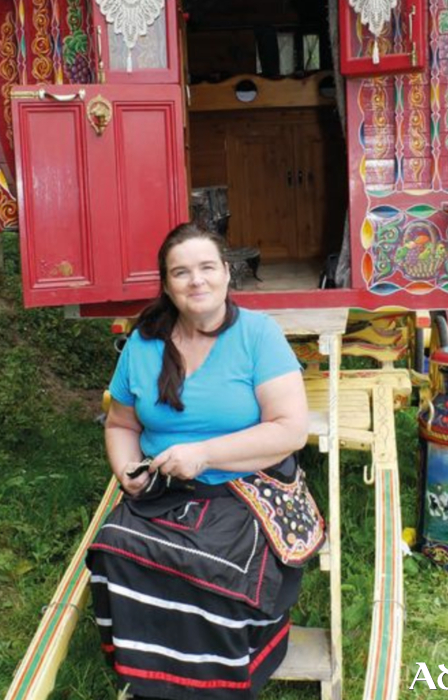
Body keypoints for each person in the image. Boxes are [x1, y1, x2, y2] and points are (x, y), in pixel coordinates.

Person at [86, 223, 319, 700]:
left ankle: (214, 683)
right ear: (167, 284)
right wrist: (128, 473)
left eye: (207, 267)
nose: (196, 281)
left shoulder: (258, 335)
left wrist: (205, 454)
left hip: (250, 483)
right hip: (166, 489)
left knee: (214, 568)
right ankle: (155, 677)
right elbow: (120, 425)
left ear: (227, 274)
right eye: (181, 272)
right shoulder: (144, 344)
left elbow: (291, 430)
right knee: (117, 547)